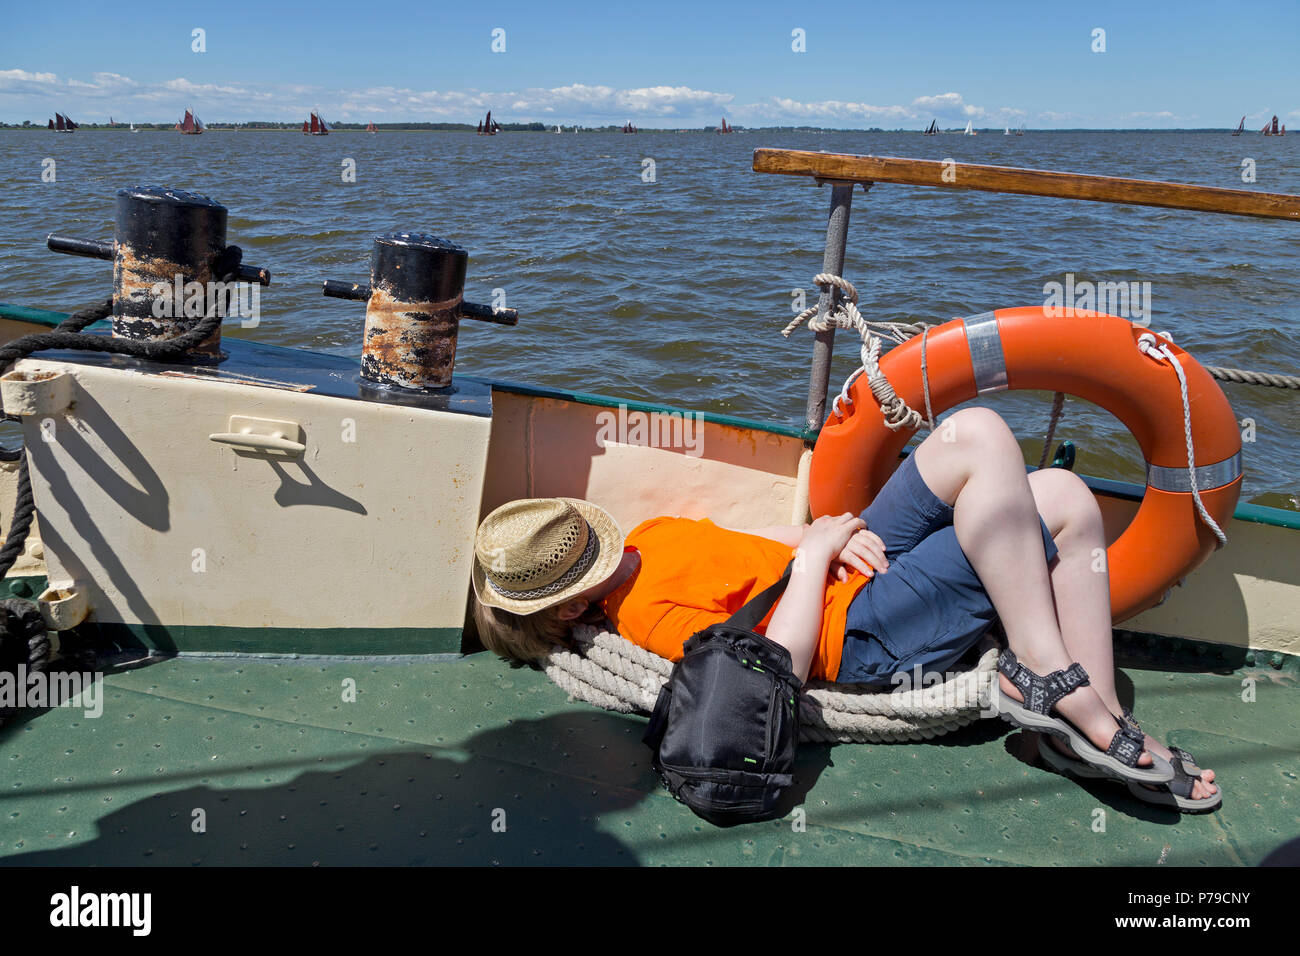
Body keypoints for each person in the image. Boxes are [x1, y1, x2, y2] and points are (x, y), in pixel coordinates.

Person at [471, 406, 1219, 812]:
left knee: (978, 432)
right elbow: (775, 667)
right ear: (571, 611)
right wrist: (817, 562)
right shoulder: (649, 619)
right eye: (588, 560)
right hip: (856, 635)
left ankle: (1064, 703)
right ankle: (1066, 691)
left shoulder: (649, 536)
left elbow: (769, 541)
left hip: (840, 574)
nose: (612, 549)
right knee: (1056, 499)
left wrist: (831, 535)